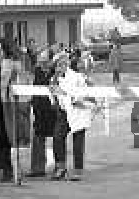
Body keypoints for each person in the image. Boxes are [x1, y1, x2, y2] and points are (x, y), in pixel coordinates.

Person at [0, 38, 30, 182]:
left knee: (7, 137)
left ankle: (9, 170)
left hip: (8, 106)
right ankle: (4, 166)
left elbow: (23, 81)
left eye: (0, 49)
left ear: (6, 50)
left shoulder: (14, 64)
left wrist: (19, 98)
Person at [49, 52, 95, 181]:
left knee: (78, 142)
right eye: (58, 65)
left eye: (63, 64)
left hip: (78, 111)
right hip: (63, 113)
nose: (60, 67)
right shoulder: (53, 79)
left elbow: (84, 92)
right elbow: (53, 96)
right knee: (57, 137)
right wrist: (54, 101)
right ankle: (60, 168)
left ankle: (78, 170)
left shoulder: (77, 77)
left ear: (67, 64)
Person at [27, 49, 57, 177]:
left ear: (51, 61)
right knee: (37, 138)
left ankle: (59, 167)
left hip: (54, 111)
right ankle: (37, 169)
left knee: (58, 138)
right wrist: (31, 102)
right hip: (40, 110)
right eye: (40, 62)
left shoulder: (56, 72)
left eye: (45, 62)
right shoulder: (38, 71)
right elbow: (35, 88)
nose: (42, 64)